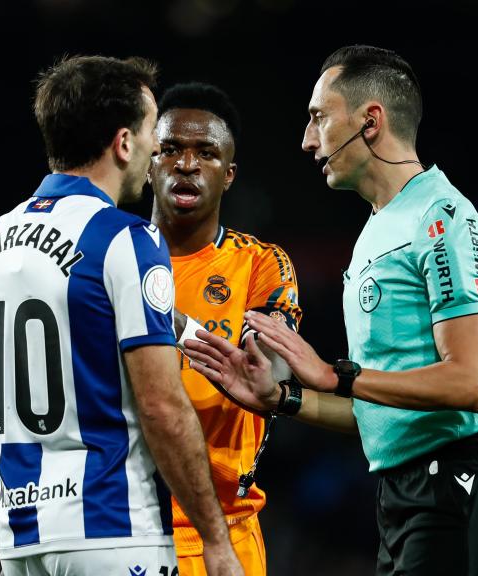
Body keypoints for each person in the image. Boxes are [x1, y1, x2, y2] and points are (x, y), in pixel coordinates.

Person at [183, 45, 478, 575]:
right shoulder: (374, 232)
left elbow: (468, 383)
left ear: (370, 121)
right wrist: (280, 398)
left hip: (462, 476)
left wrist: (335, 374)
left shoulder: (440, 218)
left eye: (319, 118)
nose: (307, 140)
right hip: (403, 488)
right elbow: (377, 412)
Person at [0, 55, 242, 576]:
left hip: (19, 539)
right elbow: (161, 405)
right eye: (149, 132)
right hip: (113, 534)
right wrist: (213, 537)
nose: (156, 149)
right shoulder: (127, 239)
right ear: (122, 143)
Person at [148, 82, 302, 575]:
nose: (186, 165)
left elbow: (269, 374)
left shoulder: (261, 264)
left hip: (224, 530)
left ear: (229, 174)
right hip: (121, 525)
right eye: (169, 149)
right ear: (148, 162)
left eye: (206, 153)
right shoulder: (105, 255)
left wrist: (155, 313)